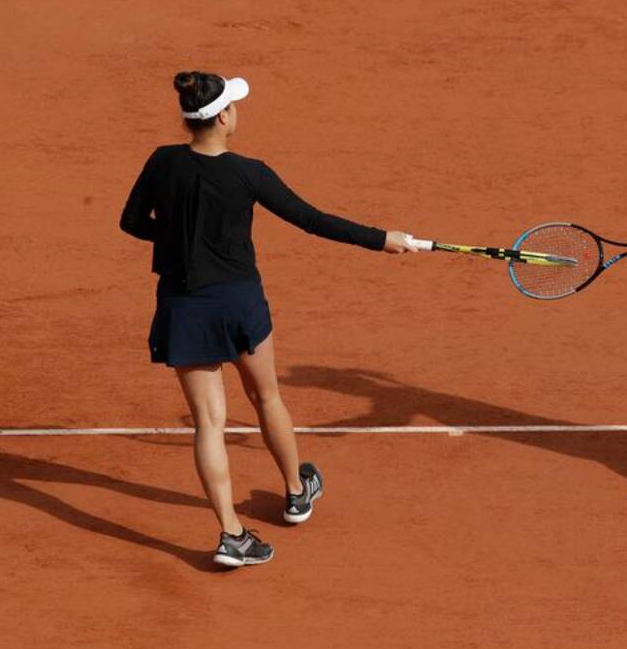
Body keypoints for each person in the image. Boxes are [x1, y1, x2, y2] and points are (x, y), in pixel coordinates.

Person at [119, 71, 420, 567]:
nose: (237, 111)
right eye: (234, 105)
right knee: (266, 397)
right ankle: (297, 492)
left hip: (184, 306)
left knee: (209, 422)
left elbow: (131, 222)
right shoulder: (248, 173)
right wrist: (381, 239)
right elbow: (311, 220)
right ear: (222, 116)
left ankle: (231, 535)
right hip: (239, 304)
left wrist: (179, 241)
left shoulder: (162, 161)